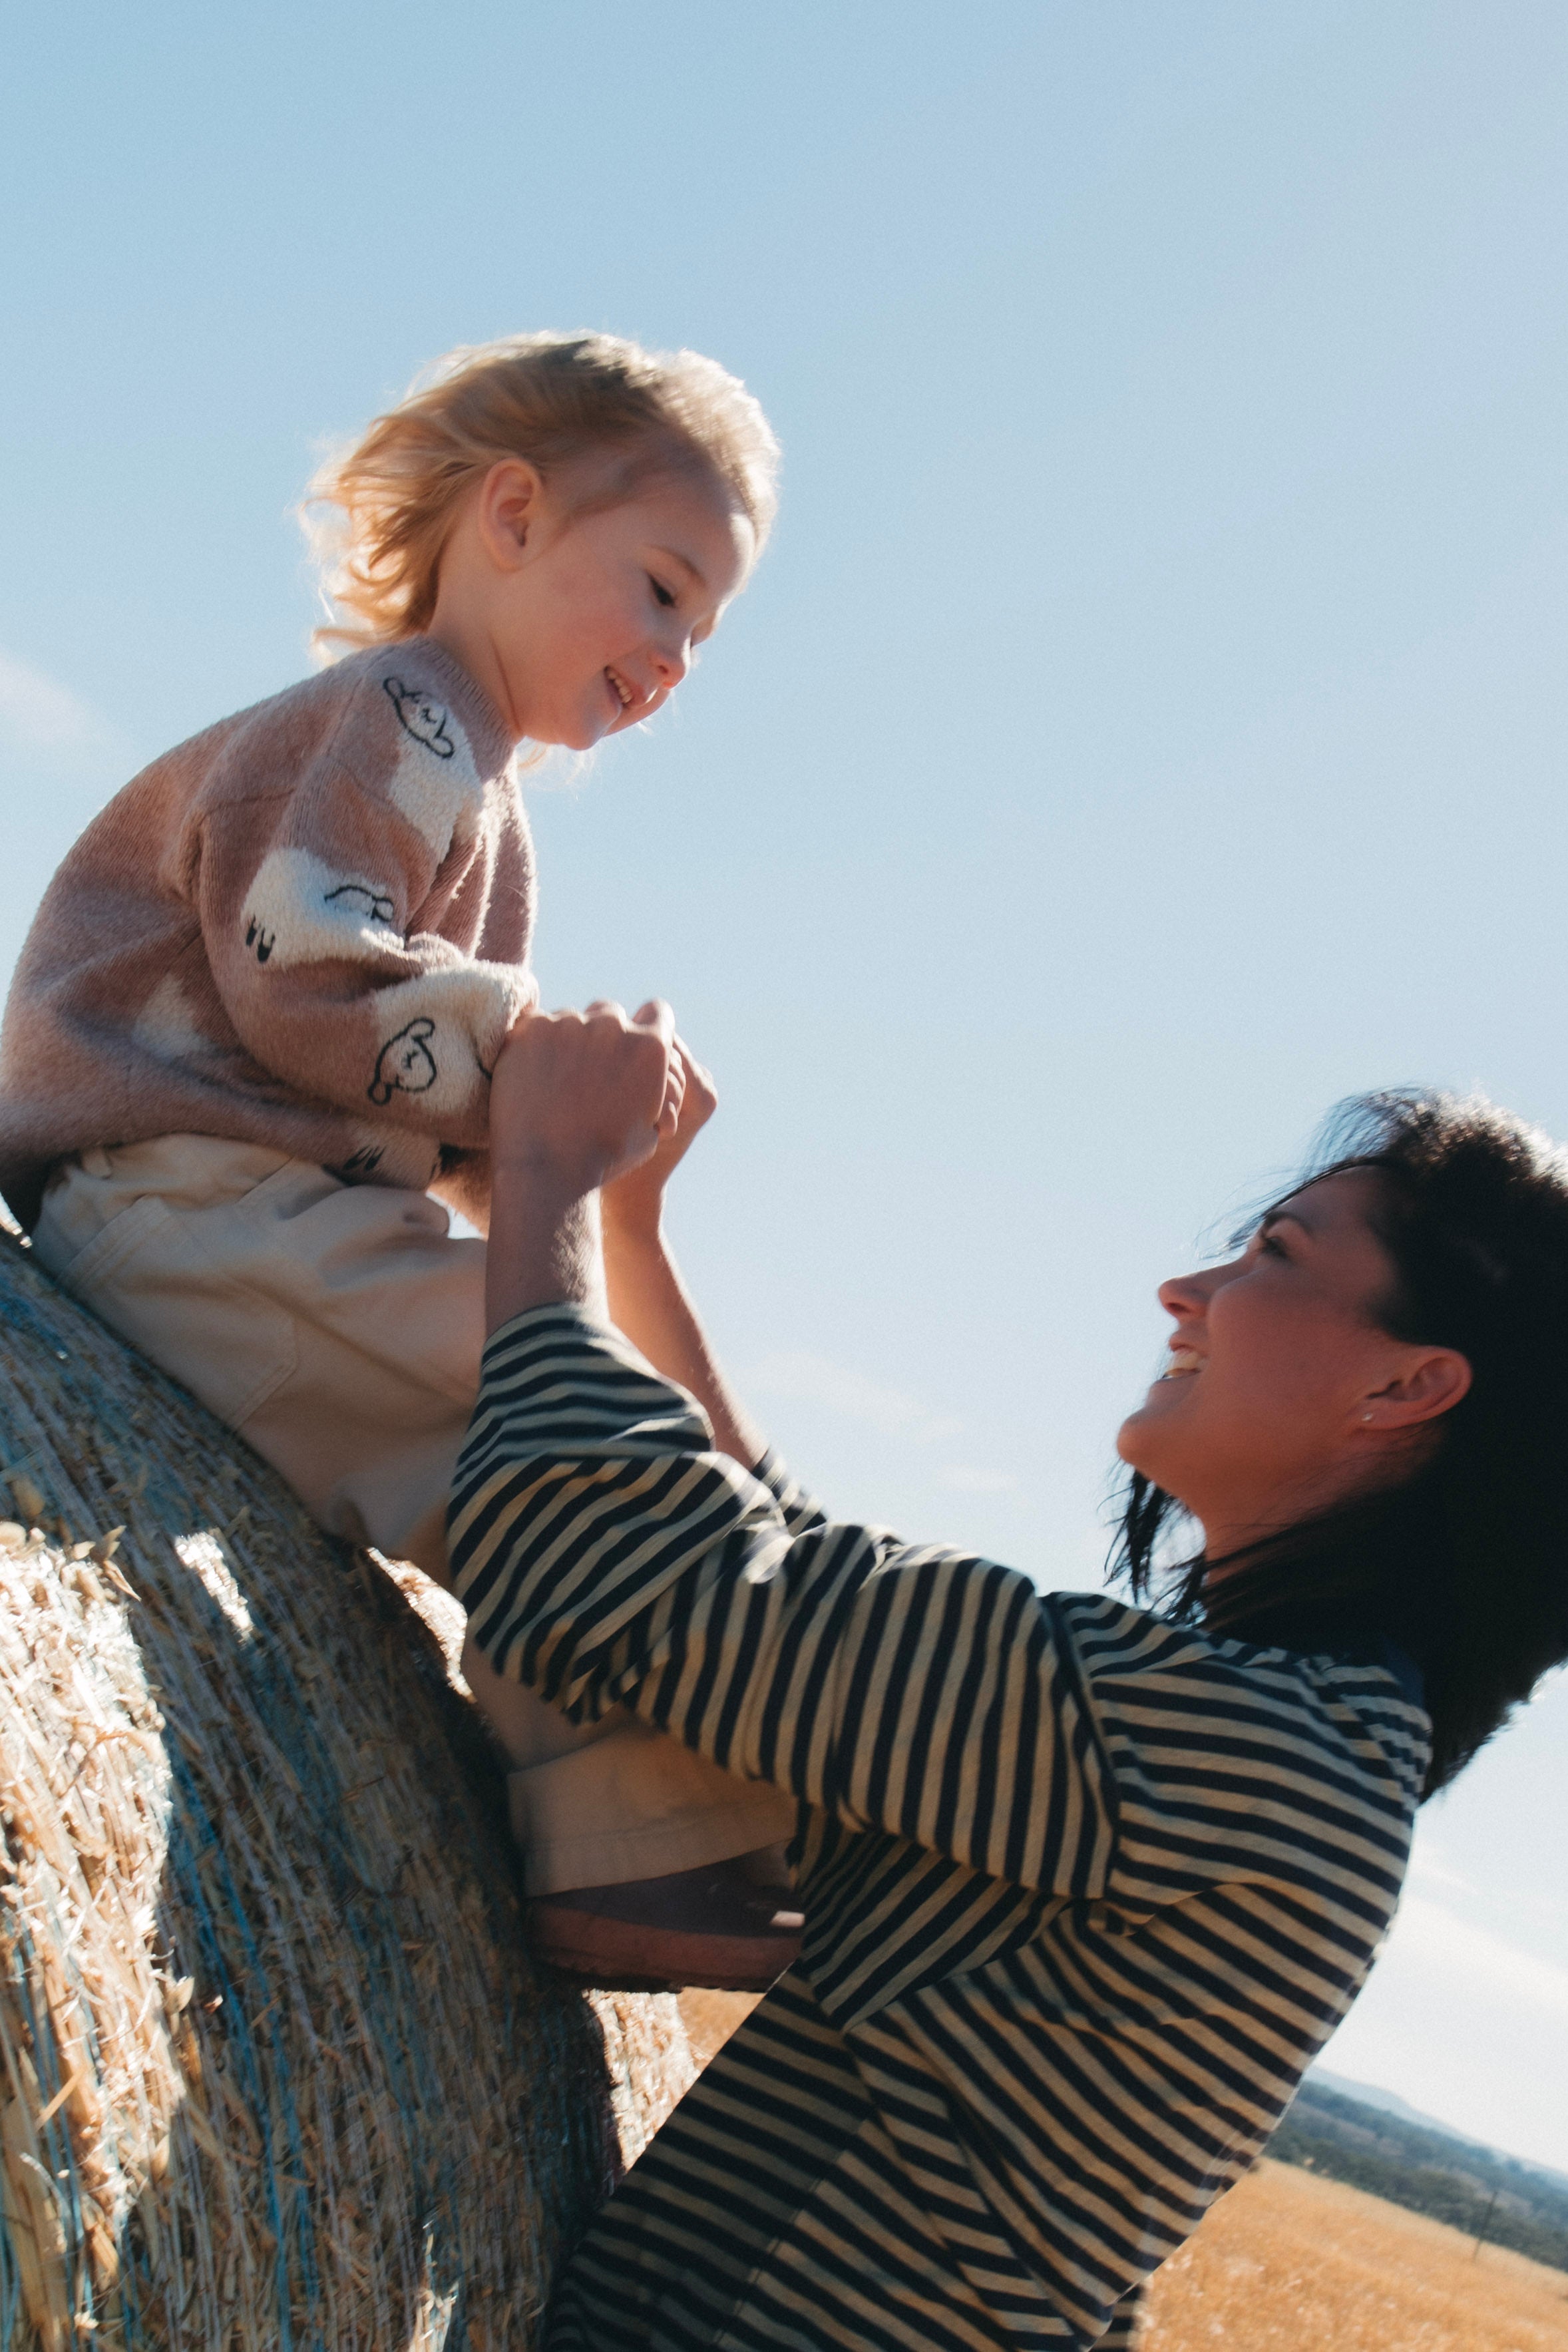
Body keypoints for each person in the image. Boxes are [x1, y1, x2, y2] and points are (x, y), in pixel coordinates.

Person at [451, 998, 1568, 2351]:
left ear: (1404, 1390)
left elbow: (614, 1570)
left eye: (1272, 1251)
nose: (1187, 1291)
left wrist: (546, 1172)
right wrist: (627, 1228)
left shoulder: (1254, 1748)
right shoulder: (1286, 1735)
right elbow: (794, 1589)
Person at [0, 332, 801, 1993]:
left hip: (256, 1216)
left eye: (703, 634)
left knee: (541, 1419)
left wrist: (560, 1152)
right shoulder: (397, 717)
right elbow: (302, 970)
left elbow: (410, 1094)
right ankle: (662, 1832)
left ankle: (641, 1822)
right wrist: (536, 1059)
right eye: (661, 590)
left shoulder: (476, 792)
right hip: (181, 1193)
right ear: (510, 514)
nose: (674, 658)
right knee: (544, 1413)